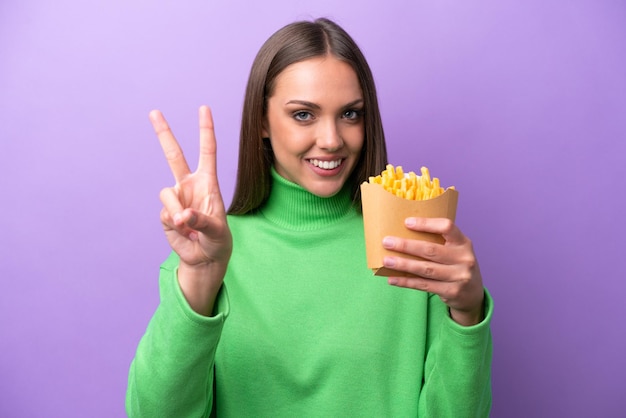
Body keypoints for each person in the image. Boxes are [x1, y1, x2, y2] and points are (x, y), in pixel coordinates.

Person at [126, 17, 492, 417]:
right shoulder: (207, 255)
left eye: (351, 114)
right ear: (262, 121)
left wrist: (467, 315)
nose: (333, 139)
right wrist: (198, 280)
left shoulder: (411, 247)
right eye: (303, 115)